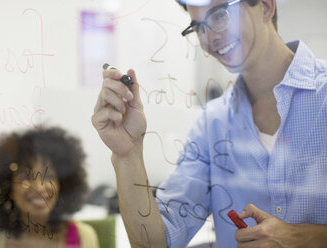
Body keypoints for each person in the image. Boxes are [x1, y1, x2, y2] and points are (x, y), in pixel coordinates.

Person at [91, 0, 327, 247]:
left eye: (219, 16)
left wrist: (302, 238)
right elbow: (155, 243)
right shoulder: (211, 124)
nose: (209, 38)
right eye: (199, 27)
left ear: (266, 6)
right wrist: (128, 153)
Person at [0, 126, 99, 248]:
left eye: (48, 176)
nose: (39, 187)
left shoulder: (84, 238)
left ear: (63, 184)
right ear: (8, 186)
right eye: (25, 178)